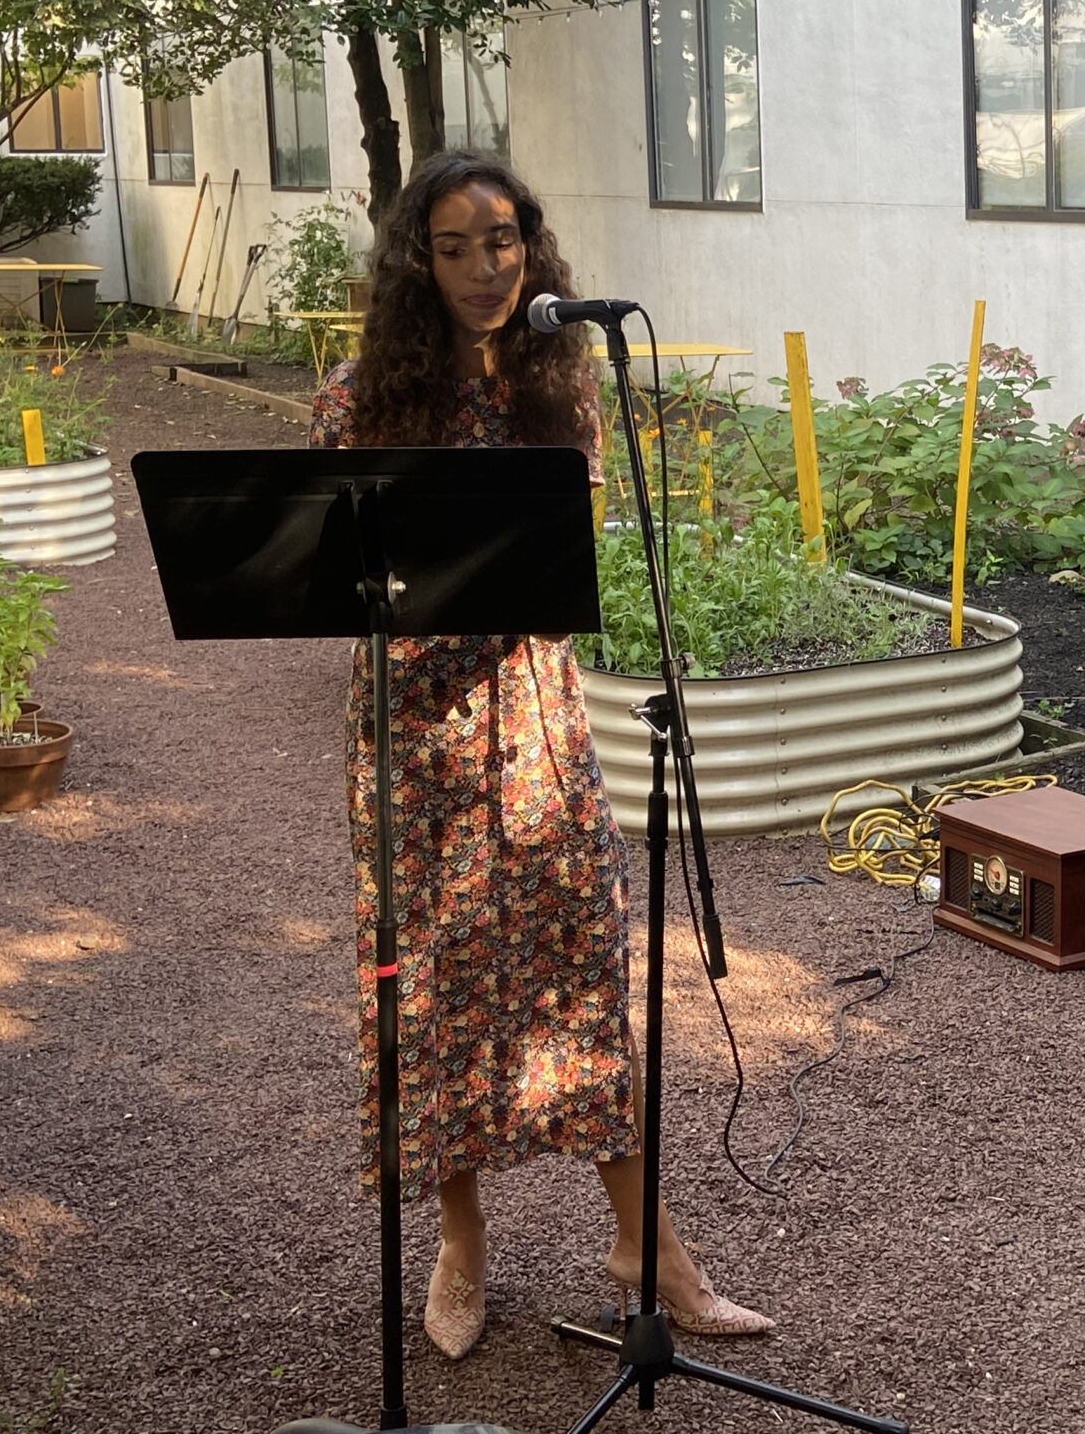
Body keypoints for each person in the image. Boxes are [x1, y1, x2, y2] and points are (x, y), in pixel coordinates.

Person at [307, 154, 771, 1359]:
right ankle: (460, 1243)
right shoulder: (358, 398)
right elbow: (329, 576)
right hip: (414, 739)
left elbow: (562, 566)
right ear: (417, 262)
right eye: (453, 247)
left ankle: (650, 1250)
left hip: (536, 723)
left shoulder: (562, 382)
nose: (481, 267)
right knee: (436, 996)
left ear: (533, 247)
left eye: (501, 240)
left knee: (580, 980)